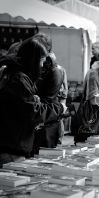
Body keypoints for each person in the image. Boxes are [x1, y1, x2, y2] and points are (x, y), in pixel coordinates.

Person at [0, 36, 64, 166]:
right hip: (12, 148)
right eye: (40, 61)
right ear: (33, 60)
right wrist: (60, 108)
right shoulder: (18, 79)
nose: (42, 65)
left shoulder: (13, 74)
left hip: (13, 144)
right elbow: (33, 112)